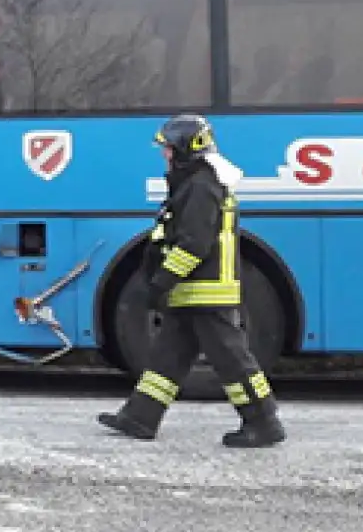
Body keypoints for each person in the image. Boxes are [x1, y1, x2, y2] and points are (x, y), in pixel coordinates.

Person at [99, 114, 285, 448]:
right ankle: (140, 416)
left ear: (186, 149)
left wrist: (162, 280)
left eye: (168, 148)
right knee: (167, 356)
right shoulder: (193, 182)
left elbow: (194, 244)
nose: (164, 155)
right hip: (192, 291)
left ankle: (263, 421)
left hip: (207, 290)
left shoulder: (201, 186)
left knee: (231, 360)